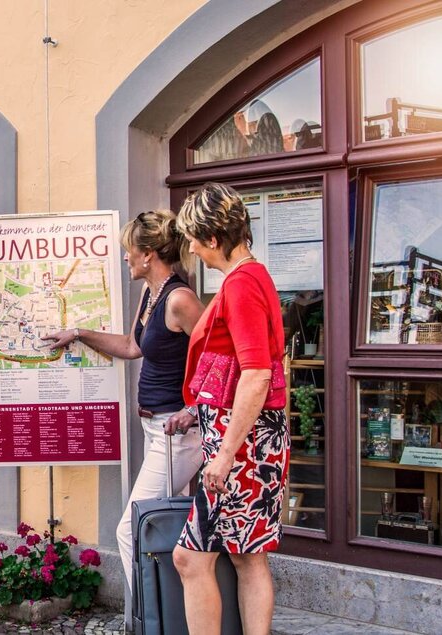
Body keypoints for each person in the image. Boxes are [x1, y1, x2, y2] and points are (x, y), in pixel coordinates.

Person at [41, 209, 204, 591]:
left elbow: (219, 356)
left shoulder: (180, 299)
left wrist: (194, 408)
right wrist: (78, 333)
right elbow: (132, 346)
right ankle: (176, 612)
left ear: (149, 254)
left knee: (133, 528)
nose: (126, 257)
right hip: (155, 429)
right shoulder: (151, 294)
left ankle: (150, 616)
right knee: (168, 530)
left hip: (178, 433)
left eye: (130, 250)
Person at [171, 183, 288, 635]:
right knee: (247, 557)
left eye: (194, 241)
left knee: (190, 558)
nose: (193, 251)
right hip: (253, 439)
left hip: (242, 446)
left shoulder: (240, 284)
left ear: (214, 238)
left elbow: (256, 374)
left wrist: (223, 455)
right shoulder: (253, 275)